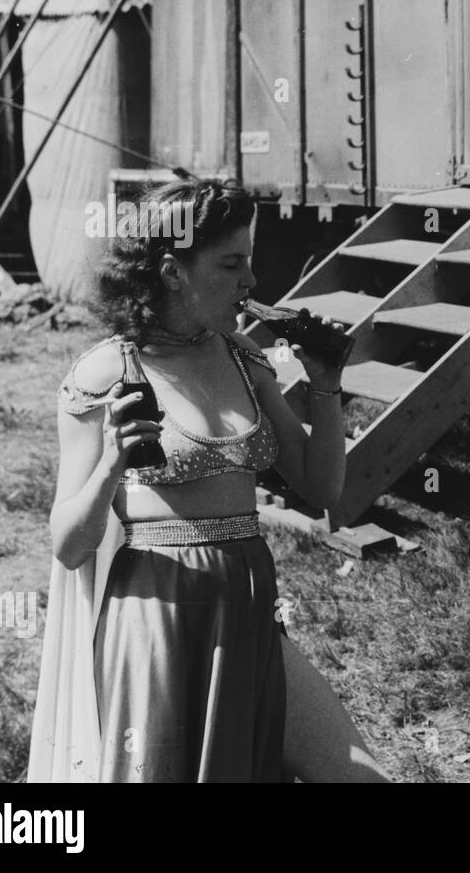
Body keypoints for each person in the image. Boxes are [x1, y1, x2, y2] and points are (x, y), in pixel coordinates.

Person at [29, 179, 390, 781]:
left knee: (361, 776)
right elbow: (68, 546)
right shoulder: (105, 371)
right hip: (157, 623)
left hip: (249, 617)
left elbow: (321, 489)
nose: (250, 281)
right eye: (230, 263)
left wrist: (326, 387)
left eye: (249, 260)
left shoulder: (245, 357)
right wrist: (112, 463)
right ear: (172, 271)